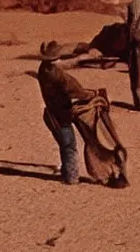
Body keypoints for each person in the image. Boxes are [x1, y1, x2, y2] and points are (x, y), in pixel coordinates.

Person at [36, 42, 97, 185]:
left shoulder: (42, 69)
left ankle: (66, 172)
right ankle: (71, 177)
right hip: (61, 115)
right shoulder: (57, 75)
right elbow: (75, 90)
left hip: (51, 114)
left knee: (64, 146)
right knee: (69, 146)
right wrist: (90, 95)